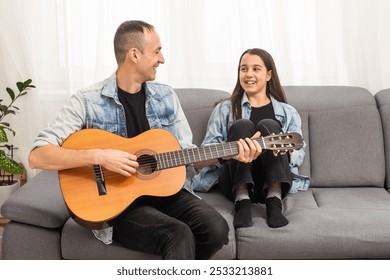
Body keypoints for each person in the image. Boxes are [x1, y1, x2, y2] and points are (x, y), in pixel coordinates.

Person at [28, 20, 233, 260]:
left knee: (217, 229)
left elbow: (187, 154)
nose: (162, 59)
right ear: (134, 54)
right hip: (118, 207)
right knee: (178, 234)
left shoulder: (166, 96)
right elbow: (37, 155)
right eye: (157, 51)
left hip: (169, 194)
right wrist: (99, 156)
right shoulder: (86, 101)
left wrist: (224, 153)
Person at [192, 48, 309, 229]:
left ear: (269, 74)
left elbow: (298, 153)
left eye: (256, 69)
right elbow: (202, 155)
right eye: (244, 69)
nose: (248, 74)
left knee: (269, 124)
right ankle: (242, 201)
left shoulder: (288, 112)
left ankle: (274, 200)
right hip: (234, 183)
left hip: (273, 179)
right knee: (242, 125)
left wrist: (289, 152)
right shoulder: (224, 109)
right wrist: (230, 152)